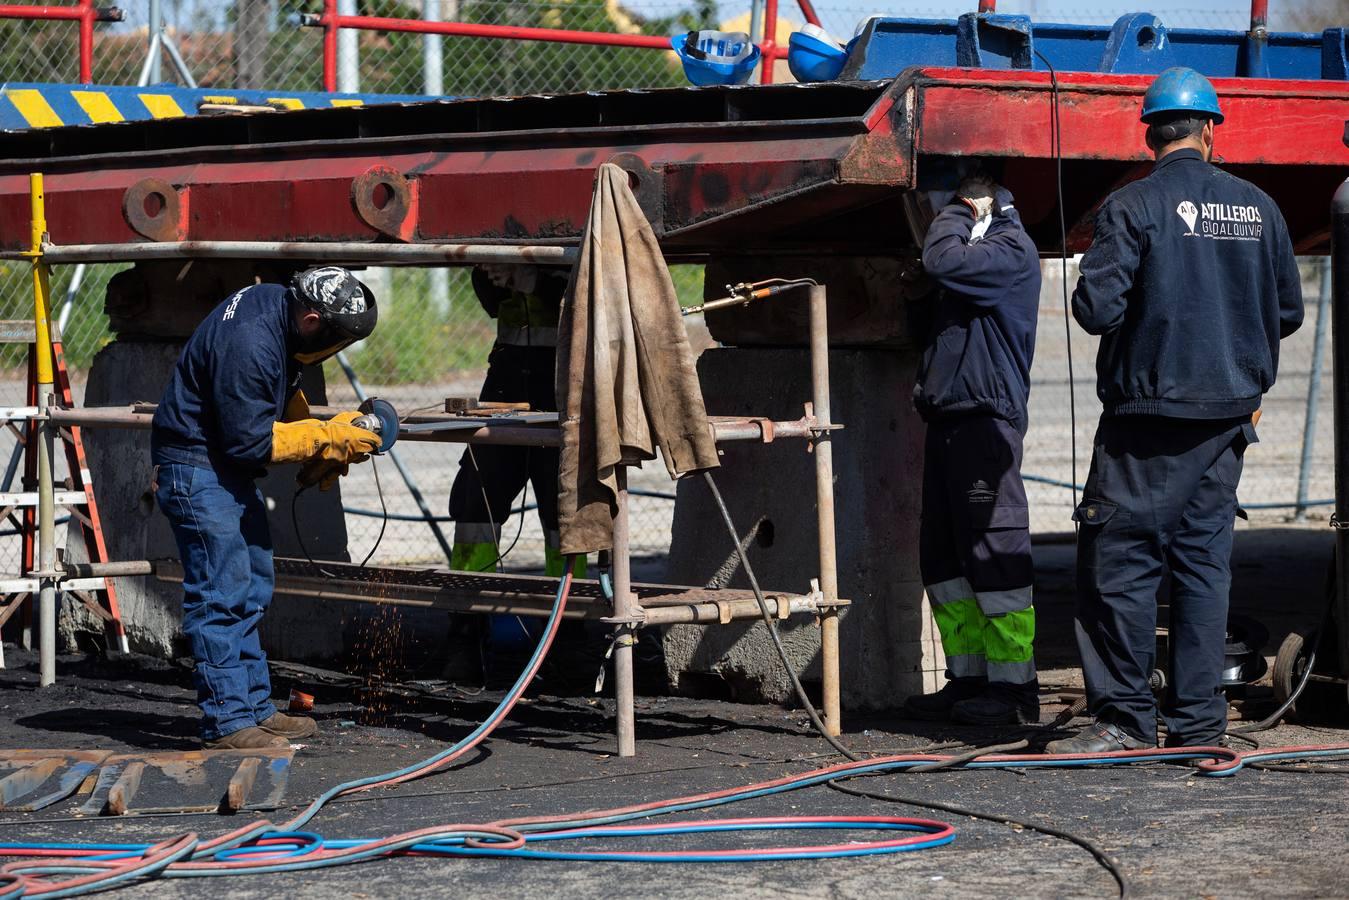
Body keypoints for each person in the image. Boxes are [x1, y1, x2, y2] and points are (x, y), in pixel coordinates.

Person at [1047, 68, 1304, 754]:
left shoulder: (1131, 207)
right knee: (1200, 567)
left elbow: (1095, 312)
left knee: (1118, 566)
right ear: (1209, 131)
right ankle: (1196, 724)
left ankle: (1124, 723)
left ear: (1148, 134)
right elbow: (1286, 313)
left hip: (1147, 424)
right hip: (1226, 422)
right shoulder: (1259, 207)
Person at [152, 267, 381, 749]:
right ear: (314, 319)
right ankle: (227, 722)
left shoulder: (279, 306)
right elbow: (249, 443)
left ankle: (254, 706)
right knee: (219, 593)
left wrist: (314, 437)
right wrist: (324, 436)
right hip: (199, 466)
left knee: (251, 583)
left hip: (222, 467)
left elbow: (276, 389)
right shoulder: (251, 342)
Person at [904, 175, 1043, 726]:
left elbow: (940, 260)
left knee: (994, 554)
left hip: (985, 424)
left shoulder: (1009, 250)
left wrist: (961, 207)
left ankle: (1015, 692)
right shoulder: (978, 261)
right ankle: (970, 681)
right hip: (950, 418)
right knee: (943, 558)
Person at [448, 264, 580, 579]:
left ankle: (569, 612)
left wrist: (536, 281)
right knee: (477, 500)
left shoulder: (576, 242)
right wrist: (492, 274)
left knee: (562, 505)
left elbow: (586, 299)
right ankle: (467, 611)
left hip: (560, 377)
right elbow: (494, 306)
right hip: (506, 376)